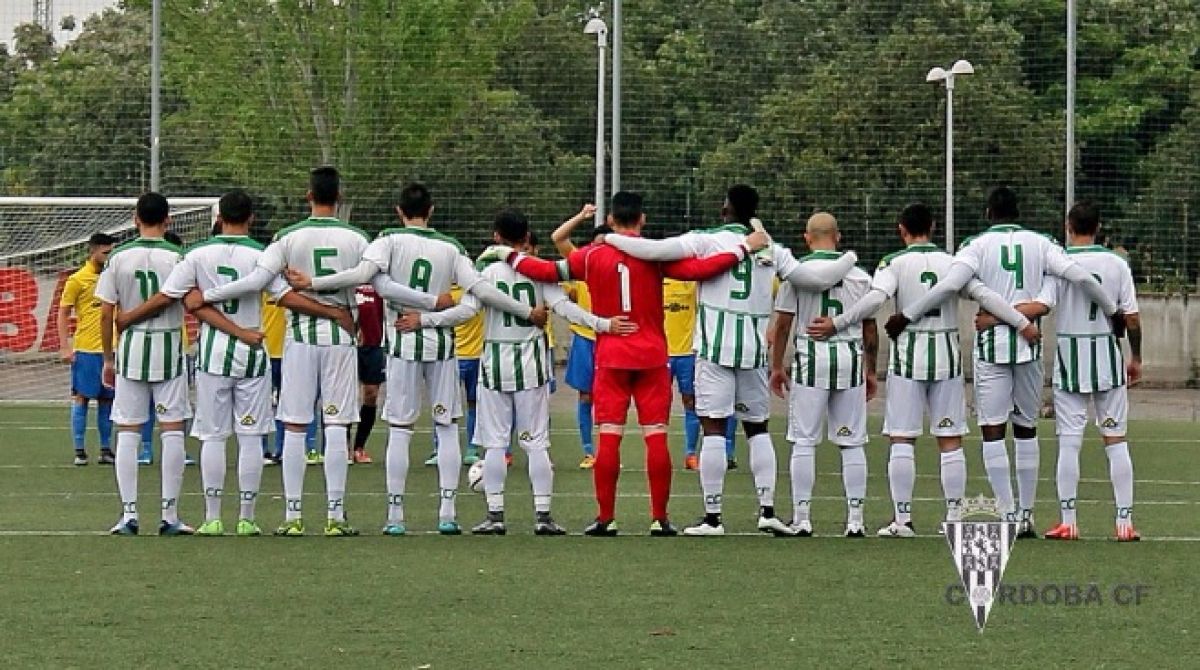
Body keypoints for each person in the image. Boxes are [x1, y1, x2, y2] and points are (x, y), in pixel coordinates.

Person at [285, 182, 545, 535]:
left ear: (398, 210)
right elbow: (479, 294)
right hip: (442, 349)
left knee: (400, 429)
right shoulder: (451, 248)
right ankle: (447, 514)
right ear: (432, 210)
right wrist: (525, 311)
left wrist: (312, 282)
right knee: (446, 427)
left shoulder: (388, 241)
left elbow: (367, 279)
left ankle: (395, 516)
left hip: (402, 346)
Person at [505, 191, 766, 536]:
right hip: (652, 356)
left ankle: (606, 518)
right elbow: (701, 269)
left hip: (612, 356)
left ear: (610, 220)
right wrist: (743, 248)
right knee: (656, 436)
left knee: (609, 437)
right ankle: (659, 519)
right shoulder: (654, 255)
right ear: (642, 219)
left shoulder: (592, 255)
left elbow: (545, 270)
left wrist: (506, 254)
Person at [604, 187, 860, 536]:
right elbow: (818, 280)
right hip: (753, 352)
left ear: (724, 210)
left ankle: (713, 518)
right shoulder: (772, 248)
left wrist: (609, 238)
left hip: (715, 350)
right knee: (757, 429)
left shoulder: (707, 240)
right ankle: (767, 510)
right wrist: (850, 256)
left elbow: (652, 250)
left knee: (713, 428)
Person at [888, 186, 1123, 537]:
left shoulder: (975, 245)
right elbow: (1078, 278)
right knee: (1027, 429)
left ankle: (1008, 514)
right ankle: (1026, 515)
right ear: (1018, 213)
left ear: (988, 214)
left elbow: (949, 285)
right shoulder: (1043, 244)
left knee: (993, 432)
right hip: (1029, 347)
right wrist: (1113, 310)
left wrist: (907, 314)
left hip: (992, 349)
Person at [119, 189, 351, 537]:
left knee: (213, 437)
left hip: (213, 355)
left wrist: (127, 318)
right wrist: (332, 312)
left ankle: (213, 517)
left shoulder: (196, 254)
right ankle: (247, 517)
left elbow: (174, 297)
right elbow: (288, 298)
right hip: (252, 354)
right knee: (251, 435)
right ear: (251, 218)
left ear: (218, 218)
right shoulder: (262, 255)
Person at [807, 203, 1036, 537]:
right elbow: (986, 296)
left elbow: (875, 299)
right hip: (947, 357)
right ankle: (954, 517)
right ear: (933, 227)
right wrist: (1021, 323)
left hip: (908, 358)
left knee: (902, 437)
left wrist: (838, 322)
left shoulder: (894, 263)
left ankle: (903, 520)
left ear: (901, 229)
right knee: (950, 439)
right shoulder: (952, 263)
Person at [423, 208, 630, 535]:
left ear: (496, 236)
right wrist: (603, 324)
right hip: (531, 365)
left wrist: (425, 320)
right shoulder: (538, 270)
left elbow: (465, 312)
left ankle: (495, 516)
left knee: (494, 444)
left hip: (494, 364)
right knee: (536, 443)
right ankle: (543, 516)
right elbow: (566, 309)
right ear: (526, 236)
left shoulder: (485, 272)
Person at [200, 167, 376, 537]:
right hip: (340, 338)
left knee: (295, 425)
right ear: (339, 197)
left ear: (308, 195)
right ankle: (335, 516)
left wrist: (209, 295)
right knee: (336, 424)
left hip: (299, 339)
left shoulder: (286, 238)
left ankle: (293, 516)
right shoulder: (358, 239)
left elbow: (262, 282)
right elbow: (369, 281)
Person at [1033, 202, 1141, 541]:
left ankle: (1069, 521)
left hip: (1070, 357)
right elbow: (1131, 318)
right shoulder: (1117, 263)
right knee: (1115, 438)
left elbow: (1044, 305)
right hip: (1107, 356)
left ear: (1068, 227)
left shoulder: (1059, 263)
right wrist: (1136, 357)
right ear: (1098, 227)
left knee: (1069, 441)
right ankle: (1124, 523)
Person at [767, 212, 873, 537]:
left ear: (806, 238)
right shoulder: (860, 277)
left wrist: (776, 366)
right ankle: (855, 520)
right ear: (837, 237)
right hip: (850, 358)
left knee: (804, 440)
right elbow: (870, 328)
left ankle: (802, 518)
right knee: (851, 441)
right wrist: (870, 369)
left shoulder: (796, 273)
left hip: (811, 359)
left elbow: (782, 325)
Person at [96, 193, 193, 535]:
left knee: (128, 429)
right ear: (168, 220)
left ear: (136, 219)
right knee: (172, 428)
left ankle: (129, 514)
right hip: (169, 345)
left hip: (132, 347)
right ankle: (169, 515)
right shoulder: (179, 257)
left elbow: (106, 313)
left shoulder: (118, 257)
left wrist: (108, 358)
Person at [59, 232, 117, 466]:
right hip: (86, 350)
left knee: (107, 400)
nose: (109, 256)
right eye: (105, 252)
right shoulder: (77, 279)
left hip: (111, 350)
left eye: (111, 252)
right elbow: (63, 313)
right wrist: (65, 346)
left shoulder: (114, 277)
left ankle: (105, 449)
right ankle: (79, 450)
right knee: (81, 398)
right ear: (93, 251)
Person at [549, 206, 601, 469]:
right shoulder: (583, 265)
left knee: (611, 399)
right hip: (584, 339)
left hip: (611, 339)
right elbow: (558, 238)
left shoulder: (624, 266)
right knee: (585, 396)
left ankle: (608, 452)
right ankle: (589, 451)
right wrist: (581, 216)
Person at [351, 283, 385, 464]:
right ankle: (343, 447)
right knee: (344, 395)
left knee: (371, 395)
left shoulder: (379, 281)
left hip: (374, 345)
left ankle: (359, 447)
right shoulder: (347, 277)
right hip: (348, 344)